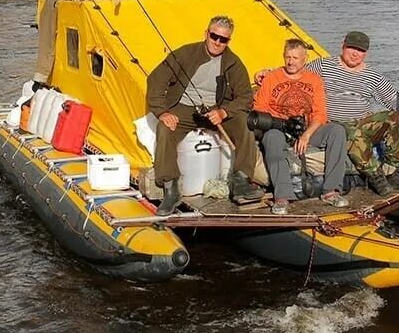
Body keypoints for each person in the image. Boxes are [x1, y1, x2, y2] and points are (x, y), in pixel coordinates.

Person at [147, 15, 265, 215]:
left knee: (245, 124)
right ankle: (171, 188)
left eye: (223, 39)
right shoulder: (185, 53)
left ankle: (241, 182)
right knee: (165, 128)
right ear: (206, 34)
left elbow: (245, 96)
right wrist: (162, 112)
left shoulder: (234, 63)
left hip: (217, 109)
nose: (217, 42)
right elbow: (156, 81)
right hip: (185, 107)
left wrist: (224, 112)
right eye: (214, 36)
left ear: (228, 41)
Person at [301, 31, 399, 196]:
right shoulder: (322, 66)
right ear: (343, 46)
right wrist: (268, 73)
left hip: (361, 122)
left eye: (360, 50)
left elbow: (397, 102)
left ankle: (393, 171)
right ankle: (375, 174)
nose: (355, 54)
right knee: (350, 131)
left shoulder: (373, 77)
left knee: (397, 119)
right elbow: (296, 74)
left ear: (366, 53)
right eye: (351, 48)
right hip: (333, 125)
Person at [253, 39, 350, 215]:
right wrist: (276, 123)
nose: (291, 62)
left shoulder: (314, 80)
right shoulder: (272, 78)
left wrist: (306, 135)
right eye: (288, 57)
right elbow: (259, 109)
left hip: (307, 128)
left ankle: (331, 191)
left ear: (304, 59)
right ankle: (282, 197)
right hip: (279, 128)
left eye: (295, 58)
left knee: (337, 131)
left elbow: (320, 113)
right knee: (272, 138)